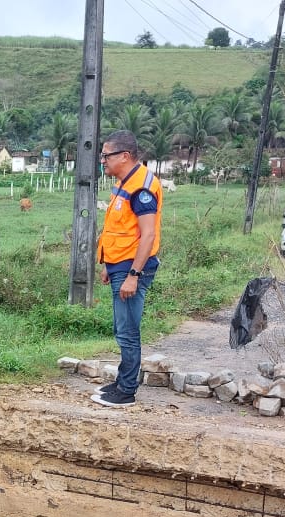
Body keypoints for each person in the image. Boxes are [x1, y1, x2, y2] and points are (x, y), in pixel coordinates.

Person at [91, 131, 164, 408]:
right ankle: (122, 381)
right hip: (121, 264)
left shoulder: (141, 187)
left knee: (128, 331)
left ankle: (127, 391)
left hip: (134, 268)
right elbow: (121, 229)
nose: (102, 161)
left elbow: (147, 236)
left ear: (125, 156)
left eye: (106, 155)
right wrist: (109, 265)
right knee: (122, 328)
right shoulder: (125, 182)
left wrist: (133, 275)